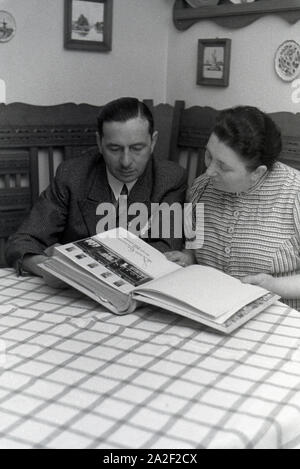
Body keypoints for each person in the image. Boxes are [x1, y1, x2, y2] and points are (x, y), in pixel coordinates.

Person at [6, 97, 187, 285]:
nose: (126, 161)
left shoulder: (169, 179)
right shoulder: (72, 175)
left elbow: (165, 252)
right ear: (99, 143)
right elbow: (23, 241)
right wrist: (45, 266)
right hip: (73, 293)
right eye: (114, 149)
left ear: (153, 142)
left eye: (136, 148)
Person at [166, 105, 300, 310]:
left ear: (258, 173)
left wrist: (273, 285)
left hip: (278, 318)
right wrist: (186, 258)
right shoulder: (201, 188)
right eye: (209, 156)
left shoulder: (295, 195)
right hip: (211, 308)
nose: (209, 171)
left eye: (223, 166)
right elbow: (194, 250)